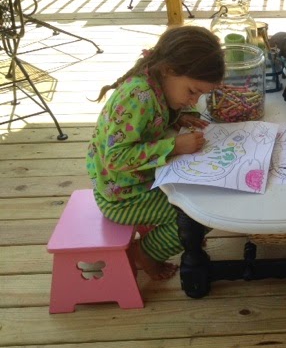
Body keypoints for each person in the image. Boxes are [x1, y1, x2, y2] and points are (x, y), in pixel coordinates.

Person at [86, 25, 225, 280]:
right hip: (123, 197)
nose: (194, 101)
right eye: (192, 92)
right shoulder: (137, 96)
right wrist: (175, 145)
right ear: (169, 69)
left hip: (139, 181)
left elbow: (151, 121)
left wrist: (178, 116)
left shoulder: (156, 81)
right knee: (200, 216)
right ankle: (147, 253)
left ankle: (177, 238)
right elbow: (116, 158)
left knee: (202, 198)